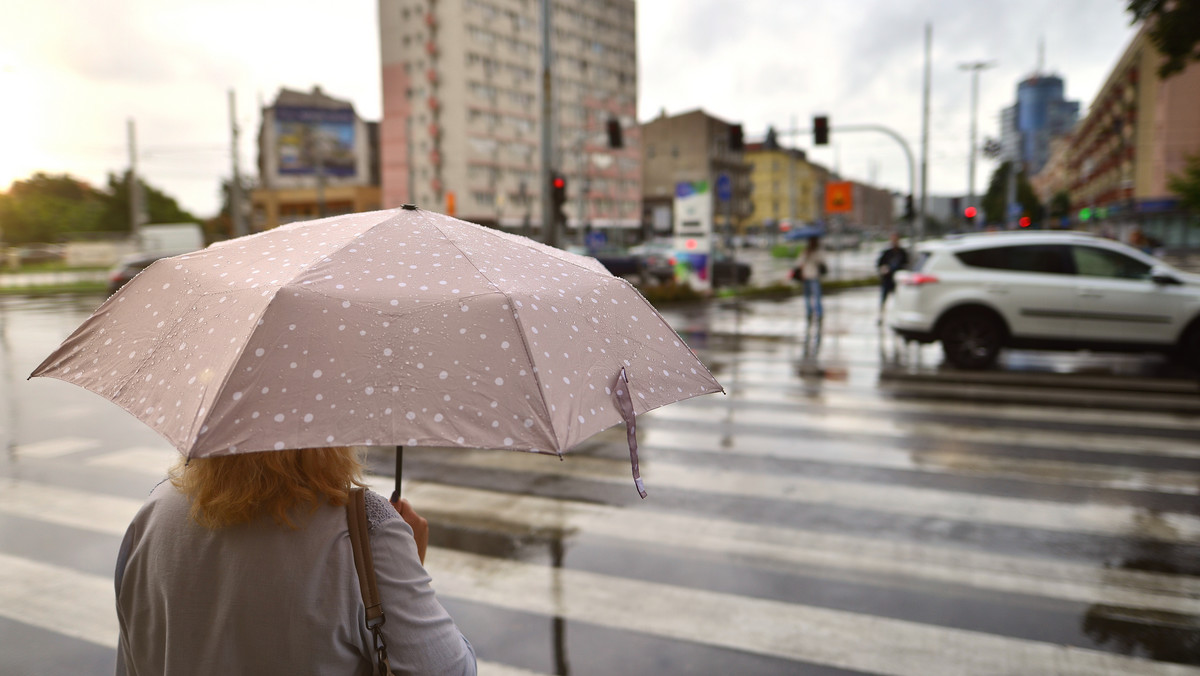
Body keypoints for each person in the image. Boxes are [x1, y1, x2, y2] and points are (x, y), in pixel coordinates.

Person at [114, 446, 477, 676]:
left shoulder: (155, 512)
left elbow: (132, 660)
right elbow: (449, 669)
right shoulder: (365, 527)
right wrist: (410, 558)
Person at [875, 232, 909, 323]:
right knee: (884, 299)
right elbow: (879, 264)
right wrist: (883, 269)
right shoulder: (887, 252)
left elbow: (906, 264)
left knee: (898, 300)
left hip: (898, 280)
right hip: (887, 279)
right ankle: (880, 316)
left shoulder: (902, 252)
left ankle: (898, 317)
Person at [796, 236, 826, 324]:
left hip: (814, 277)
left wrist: (813, 255)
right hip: (805, 277)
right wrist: (806, 254)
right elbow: (799, 263)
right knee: (807, 297)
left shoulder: (818, 252)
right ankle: (809, 313)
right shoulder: (804, 251)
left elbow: (821, 262)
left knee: (817, 296)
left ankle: (819, 314)